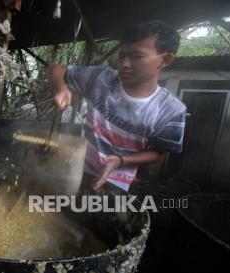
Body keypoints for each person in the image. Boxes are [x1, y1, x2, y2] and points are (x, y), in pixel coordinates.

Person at [49, 20, 186, 192]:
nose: (125, 64)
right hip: (75, 170)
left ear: (165, 60)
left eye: (137, 56)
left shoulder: (171, 111)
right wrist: (62, 89)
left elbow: (158, 152)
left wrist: (121, 161)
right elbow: (56, 69)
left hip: (116, 184)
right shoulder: (101, 80)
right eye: (122, 56)